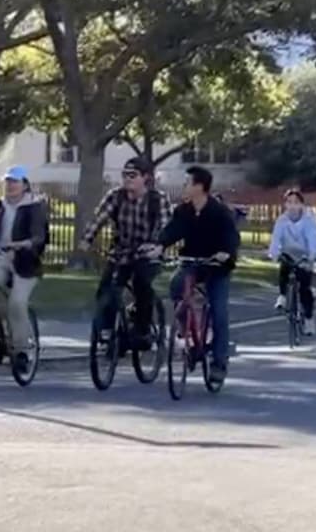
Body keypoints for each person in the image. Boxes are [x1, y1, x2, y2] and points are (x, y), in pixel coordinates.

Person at [79, 157, 172, 349]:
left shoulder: (158, 200)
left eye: (133, 175)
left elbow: (166, 226)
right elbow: (99, 218)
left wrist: (158, 245)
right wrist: (87, 239)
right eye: (125, 175)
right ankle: (107, 330)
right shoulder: (116, 196)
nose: (127, 179)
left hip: (148, 253)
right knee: (107, 289)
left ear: (145, 178)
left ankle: (142, 330)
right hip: (121, 252)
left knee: (142, 284)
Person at [160, 166, 240, 383]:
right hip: (192, 262)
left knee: (219, 311)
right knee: (176, 285)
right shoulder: (183, 211)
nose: (183, 186)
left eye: (187, 183)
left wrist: (226, 252)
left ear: (199, 187)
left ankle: (219, 363)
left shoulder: (219, 212)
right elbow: (171, 231)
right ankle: (189, 334)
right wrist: (158, 245)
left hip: (217, 266)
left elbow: (231, 237)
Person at [0, 166, 49, 374]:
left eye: (15, 182)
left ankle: (21, 351)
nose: (10, 186)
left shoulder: (34, 207)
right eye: (8, 181)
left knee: (17, 304)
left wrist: (23, 244)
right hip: (0, 255)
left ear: (24, 185)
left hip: (25, 261)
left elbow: (39, 236)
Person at [268, 189, 316, 336]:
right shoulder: (282, 220)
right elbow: (276, 239)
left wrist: (313, 255)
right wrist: (274, 254)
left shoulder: (308, 221)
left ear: (301, 205)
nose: (292, 206)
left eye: (296, 202)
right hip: (288, 252)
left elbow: (313, 240)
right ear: (285, 205)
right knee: (284, 268)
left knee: (305, 288)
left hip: (305, 255)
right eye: (289, 202)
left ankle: (309, 320)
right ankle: (282, 296)